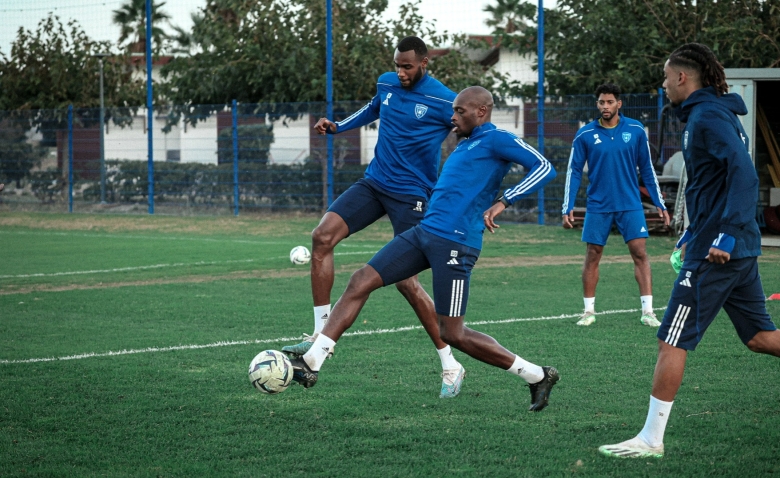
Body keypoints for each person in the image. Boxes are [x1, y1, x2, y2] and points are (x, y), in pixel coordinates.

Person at [288, 86, 561, 411]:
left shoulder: (497, 139)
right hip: (424, 233)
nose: (453, 117)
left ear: (481, 112)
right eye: (454, 111)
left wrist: (503, 202)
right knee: (361, 280)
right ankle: (312, 362)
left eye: (460, 111)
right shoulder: (466, 144)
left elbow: (544, 167)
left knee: (453, 333)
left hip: (457, 244)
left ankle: (536, 375)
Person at [599, 43, 780, 458]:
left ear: (682, 77)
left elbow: (745, 176)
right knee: (758, 337)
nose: (662, 85)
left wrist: (725, 236)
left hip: (719, 252)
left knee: (671, 340)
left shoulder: (708, 116)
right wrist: (695, 232)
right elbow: (715, 185)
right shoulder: (712, 113)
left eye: (666, 78)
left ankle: (650, 439)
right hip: (726, 246)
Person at [281, 36, 466, 398]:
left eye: (407, 67)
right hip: (374, 183)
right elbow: (373, 108)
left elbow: (470, 131)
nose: (400, 72)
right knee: (322, 237)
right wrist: (338, 126)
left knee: (406, 282)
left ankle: (450, 363)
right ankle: (321, 332)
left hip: (412, 195)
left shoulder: (445, 99)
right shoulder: (387, 83)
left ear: (425, 63)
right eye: (397, 65)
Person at [562, 83, 670, 327]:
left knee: (640, 253)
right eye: (601, 102)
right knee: (593, 255)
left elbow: (648, 170)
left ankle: (648, 312)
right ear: (597, 104)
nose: (605, 106)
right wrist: (567, 205)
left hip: (630, 203)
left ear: (619, 104)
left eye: (610, 102)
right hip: (598, 205)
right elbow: (574, 171)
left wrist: (659, 203)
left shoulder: (636, 129)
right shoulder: (585, 134)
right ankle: (588, 312)